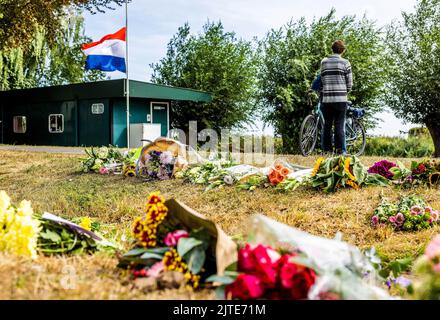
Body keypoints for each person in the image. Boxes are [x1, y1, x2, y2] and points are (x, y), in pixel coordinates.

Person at [320, 40, 353, 155]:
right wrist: (344, 92)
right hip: (340, 99)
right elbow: (350, 83)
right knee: (339, 124)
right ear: (342, 50)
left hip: (327, 99)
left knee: (327, 125)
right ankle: (340, 151)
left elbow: (323, 79)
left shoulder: (324, 62)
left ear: (332, 49)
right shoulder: (345, 63)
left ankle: (327, 150)